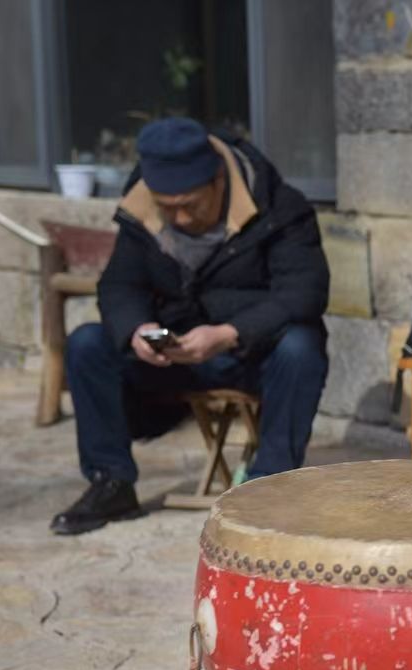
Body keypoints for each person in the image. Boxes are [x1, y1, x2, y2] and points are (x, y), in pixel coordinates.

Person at [51, 117, 330, 535]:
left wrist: (229, 333)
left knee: (301, 345)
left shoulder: (280, 206)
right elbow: (119, 285)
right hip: (173, 356)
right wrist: (137, 329)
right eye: (168, 207)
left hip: (248, 353)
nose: (180, 217)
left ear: (218, 180)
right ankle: (110, 481)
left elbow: (305, 292)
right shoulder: (140, 210)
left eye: (191, 205)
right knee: (87, 343)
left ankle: (268, 488)